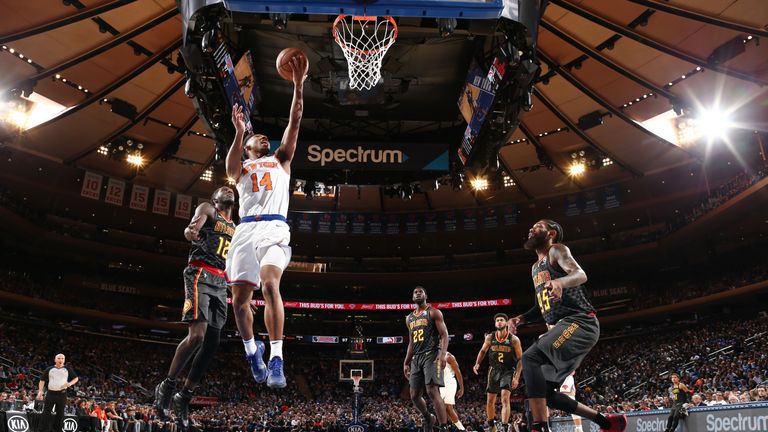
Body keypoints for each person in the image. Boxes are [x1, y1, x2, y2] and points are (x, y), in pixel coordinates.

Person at [226, 51, 308, 389]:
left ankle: (276, 358)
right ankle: (251, 351)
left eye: (264, 136)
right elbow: (230, 171)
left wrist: (299, 87)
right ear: (247, 146)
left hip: (274, 227)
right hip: (245, 230)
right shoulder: (242, 165)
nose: (264, 136)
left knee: (271, 284)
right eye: (256, 136)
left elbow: (296, 120)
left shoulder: (281, 160)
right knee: (240, 303)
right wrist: (237, 132)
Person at [508, 219, 627, 432]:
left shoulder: (557, 250)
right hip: (563, 327)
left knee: (529, 357)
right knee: (546, 392)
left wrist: (560, 282)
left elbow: (580, 274)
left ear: (551, 233)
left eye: (537, 226)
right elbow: (540, 306)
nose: (530, 228)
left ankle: (539, 427)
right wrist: (521, 319)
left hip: (580, 322)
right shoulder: (535, 267)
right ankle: (608, 422)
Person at [154, 187, 236, 429]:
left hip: (221, 281)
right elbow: (191, 228)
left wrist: (238, 291)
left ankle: (184, 396)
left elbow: (230, 260)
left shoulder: (235, 226)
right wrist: (191, 231)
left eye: (229, 188)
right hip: (199, 273)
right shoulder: (208, 209)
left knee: (212, 342)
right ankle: (167, 385)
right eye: (221, 189)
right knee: (197, 336)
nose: (227, 187)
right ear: (215, 199)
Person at [403, 286, 450, 431]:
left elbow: (444, 335)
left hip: (431, 355)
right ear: (412, 298)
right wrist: (406, 362)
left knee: (431, 391)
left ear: (425, 295)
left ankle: (444, 427)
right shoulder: (409, 318)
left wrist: (442, 354)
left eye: (420, 292)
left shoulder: (433, 312)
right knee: (414, 395)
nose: (418, 293)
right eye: (415, 292)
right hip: (416, 357)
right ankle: (428, 416)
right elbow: (411, 342)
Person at [473, 313, 522, 432]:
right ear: (495, 324)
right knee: (490, 401)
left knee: (505, 399)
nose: (499, 322)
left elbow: (521, 359)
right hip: (494, 370)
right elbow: (483, 351)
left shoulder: (514, 339)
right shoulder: (490, 337)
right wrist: (477, 363)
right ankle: (491, 425)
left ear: (506, 323)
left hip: (508, 371)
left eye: (501, 320)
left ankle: (504, 427)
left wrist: (516, 377)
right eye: (497, 320)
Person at [37, 353, 78, 432]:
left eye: (62, 358)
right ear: (55, 360)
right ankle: (42, 430)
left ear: (64, 360)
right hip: (50, 393)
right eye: (59, 358)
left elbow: (76, 378)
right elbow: (42, 380)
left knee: (60, 413)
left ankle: (57, 430)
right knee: (46, 412)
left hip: (62, 394)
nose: (61, 360)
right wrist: (40, 391)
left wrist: (70, 383)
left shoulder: (67, 369)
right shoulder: (49, 369)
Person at [439, 352, 466, 431]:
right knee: (448, 409)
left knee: (445, 406)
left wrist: (462, 388)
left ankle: (444, 428)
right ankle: (461, 429)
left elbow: (458, 372)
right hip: (441, 385)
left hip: (450, 382)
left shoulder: (449, 356)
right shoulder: (433, 356)